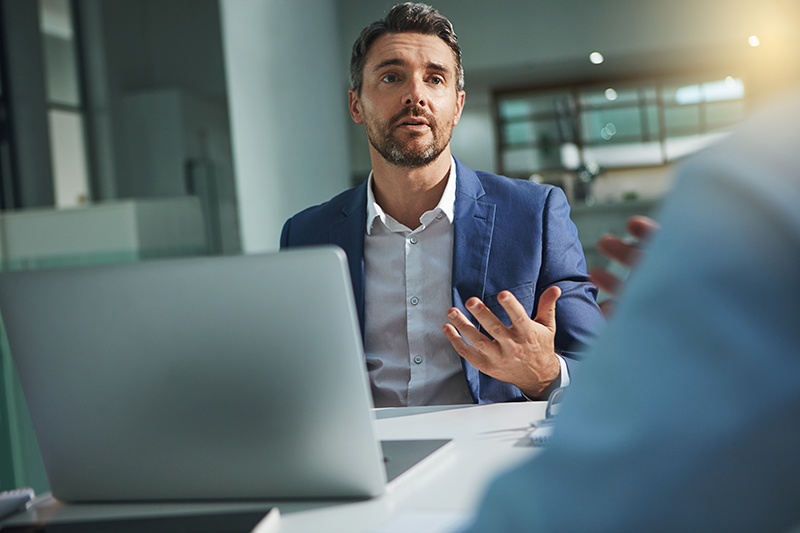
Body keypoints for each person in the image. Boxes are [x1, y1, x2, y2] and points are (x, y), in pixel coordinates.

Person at [462, 91, 800, 532]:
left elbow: (604, 499)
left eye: (434, 78)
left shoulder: (760, 170)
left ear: (459, 101)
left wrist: (699, 331)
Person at [280, 3, 604, 406]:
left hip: (490, 458)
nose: (415, 95)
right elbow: (292, 376)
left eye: (435, 79)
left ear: (458, 105)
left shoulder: (534, 214)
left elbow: (606, 371)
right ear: (356, 105)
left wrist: (546, 375)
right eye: (391, 77)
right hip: (363, 459)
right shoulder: (306, 234)